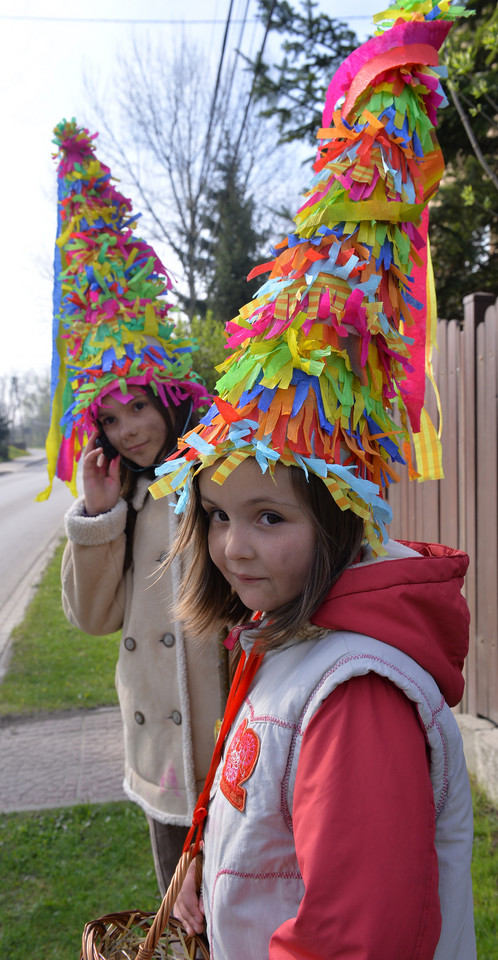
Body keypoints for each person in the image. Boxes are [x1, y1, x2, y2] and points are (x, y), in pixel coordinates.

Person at [148, 1, 476, 955]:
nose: (231, 547)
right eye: (213, 515)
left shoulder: (356, 694)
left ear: (339, 518)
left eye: (265, 516)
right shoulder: (291, 634)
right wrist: (214, 874)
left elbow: (356, 934)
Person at [40, 120, 223, 894]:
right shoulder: (130, 495)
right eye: (110, 420)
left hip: (236, 757)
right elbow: (94, 619)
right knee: (177, 929)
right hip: (163, 770)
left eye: (138, 408)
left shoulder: (224, 470)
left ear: (169, 395)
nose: (130, 430)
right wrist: (95, 515)